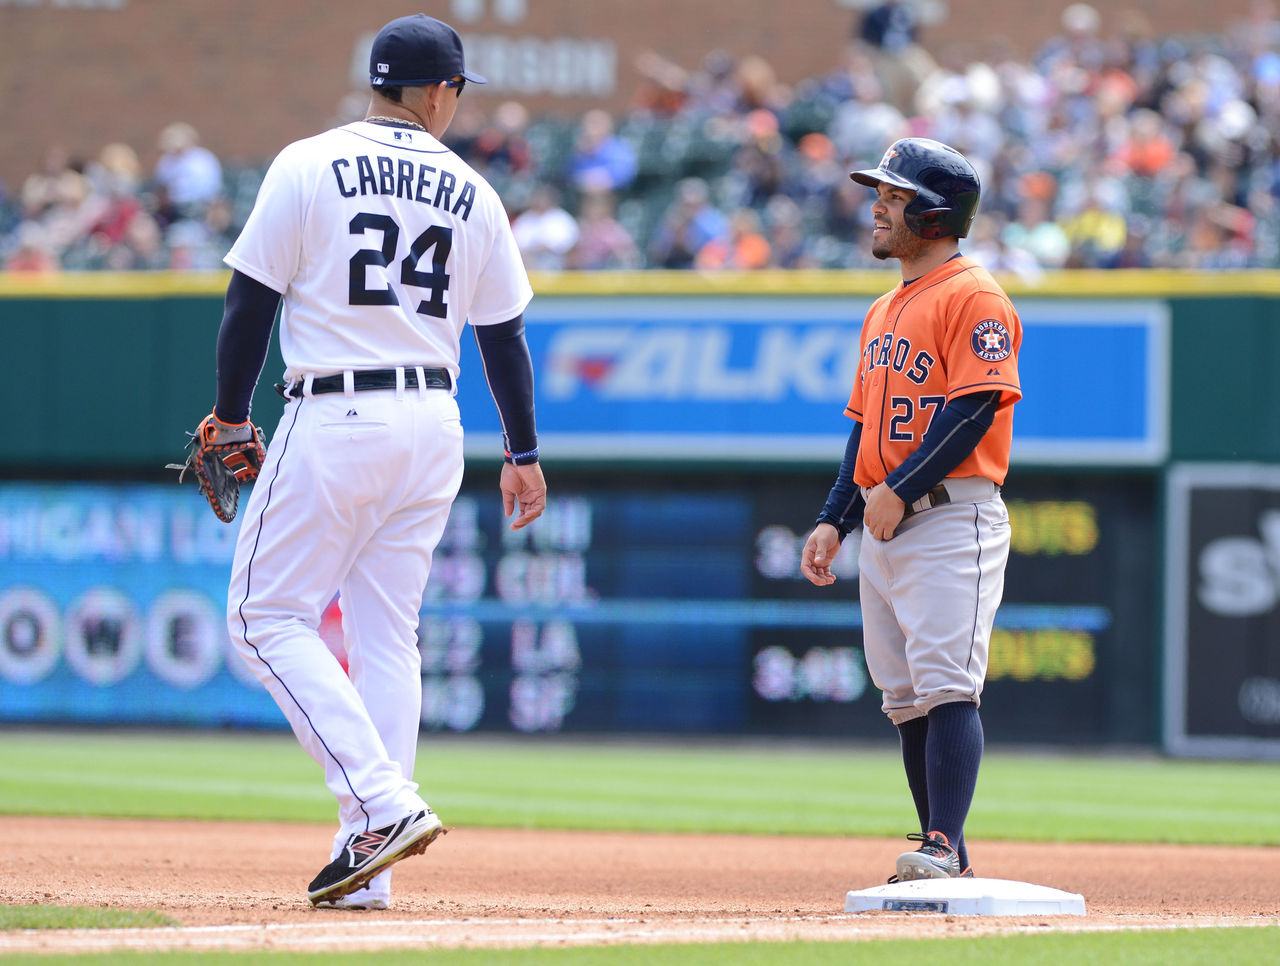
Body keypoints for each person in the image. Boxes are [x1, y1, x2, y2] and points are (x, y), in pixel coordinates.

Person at [207, 13, 546, 909]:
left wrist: (233, 417)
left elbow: (250, 303)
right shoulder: (474, 189)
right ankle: (371, 867)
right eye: (455, 91)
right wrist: (524, 451)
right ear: (439, 91)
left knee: (259, 618)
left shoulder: (309, 161)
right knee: (387, 635)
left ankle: (381, 805)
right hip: (435, 421)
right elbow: (504, 337)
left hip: (337, 408)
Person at [800, 138, 1022, 883]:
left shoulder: (975, 294)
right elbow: (862, 429)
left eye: (893, 197)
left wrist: (896, 490)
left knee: (947, 682)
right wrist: (837, 516)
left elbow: (976, 407)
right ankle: (945, 849)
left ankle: (939, 842)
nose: (877, 207)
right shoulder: (882, 308)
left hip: (952, 513)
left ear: (932, 213)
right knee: (904, 696)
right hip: (888, 518)